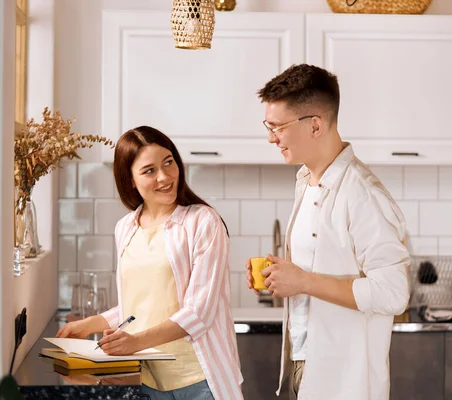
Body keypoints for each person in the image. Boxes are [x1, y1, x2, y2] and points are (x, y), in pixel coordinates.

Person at [246, 64, 411, 400]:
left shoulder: (362, 193)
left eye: (277, 127)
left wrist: (303, 281)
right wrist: (282, 277)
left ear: (315, 125)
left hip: (346, 380)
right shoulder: (307, 182)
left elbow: (393, 293)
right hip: (304, 365)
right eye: (268, 126)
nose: (270, 137)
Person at [57, 126, 243, 400]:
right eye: (149, 171)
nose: (165, 177)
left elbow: (198, 312)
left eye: (169, 163)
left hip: (201, 379)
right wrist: (87, 325)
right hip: (150, 381)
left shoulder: (203, 222)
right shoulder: (126, 228)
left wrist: (134, 342)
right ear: (130, 180)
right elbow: (138, 307)